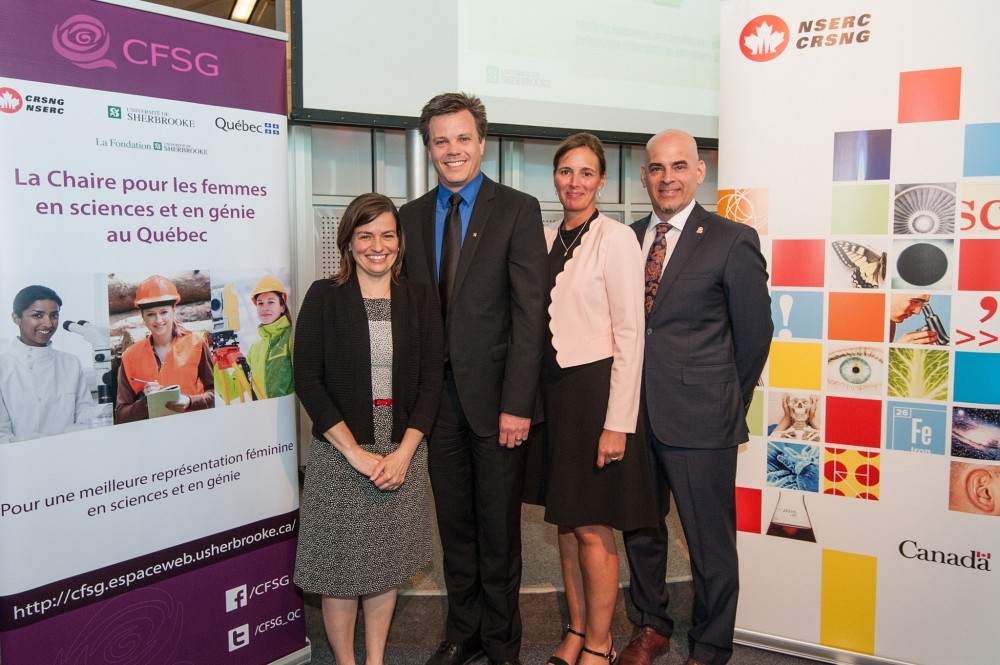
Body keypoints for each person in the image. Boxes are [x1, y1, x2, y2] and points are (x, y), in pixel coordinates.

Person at [400, 92, 547, 665]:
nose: (452, 150)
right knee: (455, 526)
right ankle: (464, 632)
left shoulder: (516, 209)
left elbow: (530, 315)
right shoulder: (410, 217)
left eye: (463, 138)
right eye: (441, 141)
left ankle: (503, 641)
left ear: (481, 143)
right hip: (436, 406)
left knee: (499, 527)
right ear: (429, 148)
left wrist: (518, 404)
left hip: (497, 406)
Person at [621, 130, 772, 665]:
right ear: (644, 177)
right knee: (641, 531)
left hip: (702, 421)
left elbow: (754, 336)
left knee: (709, 541)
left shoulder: (732, 239)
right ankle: (652, 624)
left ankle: (711, 644)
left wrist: (726, 401)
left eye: (679, 167)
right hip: (633, 416)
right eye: (657, 168)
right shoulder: (628, 238)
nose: (668, 178)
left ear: (700, 172)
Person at [523, 133, 657, 665]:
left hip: (596, 393)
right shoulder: (544, 235)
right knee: (565, 520)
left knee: (594, 527)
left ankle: (600, 643)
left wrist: (618, 422)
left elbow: (631, 332)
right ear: (554, 178)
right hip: (553, 395)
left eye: (585, 173)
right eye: (564, 171)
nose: (573, 182)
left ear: (602, 181)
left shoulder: (617, 237)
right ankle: (577, 630)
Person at [293, 193, 443, 665]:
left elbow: (432, 382)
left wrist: (404, 452)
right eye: (365, 235)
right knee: (340, 572)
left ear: (399, 241)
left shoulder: (419, 298)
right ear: (349, 242)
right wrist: (353, 452)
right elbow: (307, 380)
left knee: (384, 567)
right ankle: (345, 661)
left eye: (387, 235)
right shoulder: (324, 296)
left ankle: (375, 659)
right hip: (342, 458)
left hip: (402, 456)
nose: (377, 246)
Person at [0, 285, 95, 443]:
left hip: (70, 453)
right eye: (37, 315)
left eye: (54, 315)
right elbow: (1, 436)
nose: (48, 324)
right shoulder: (4, 367)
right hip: (22, 459)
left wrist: (107, 412)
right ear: (16, 318)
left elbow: (83, 413)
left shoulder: (70, 363)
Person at [114, 275, 215, 423]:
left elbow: (215, 394)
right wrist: (146, 402)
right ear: (142, 317)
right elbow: (121, 415)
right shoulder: (130, 357)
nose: (158, 320)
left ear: (174, 310)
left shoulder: (197, 343)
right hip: (153, 437)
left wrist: (189, 401)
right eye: (151, 314)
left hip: (194, 429)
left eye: (163, 312)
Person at [247, 275, 293, 398]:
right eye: (260, 303)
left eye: (271, 302)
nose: (265, 308)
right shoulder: (254, 348)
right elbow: (232, 390)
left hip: (289, 413)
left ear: (282, 306)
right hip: (263, 413)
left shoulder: (292, 337)